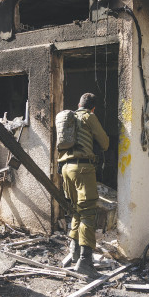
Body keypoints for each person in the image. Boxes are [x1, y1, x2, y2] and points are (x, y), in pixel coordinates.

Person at [58, 92, 109, 278]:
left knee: (76, 211)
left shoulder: (70, 117)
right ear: (92, 107)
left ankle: (74, 254)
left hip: (65, 169)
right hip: (83, 169)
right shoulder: (89, 117)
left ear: (78, 104)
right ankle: (85, 262)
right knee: (88, 212)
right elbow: (104, 143)